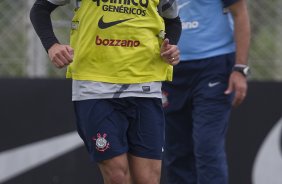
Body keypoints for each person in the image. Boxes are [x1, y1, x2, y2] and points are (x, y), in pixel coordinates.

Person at [30, 0, 181, 183]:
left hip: (145, 86)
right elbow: (40, 8)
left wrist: (171, 45)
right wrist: (52, 45)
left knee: (147, 179)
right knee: (117, 176)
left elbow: (172, 20)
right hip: (95, 87)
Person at [162, 0, 251, 183]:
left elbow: (240, 13)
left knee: (207, 147)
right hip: (170, 68)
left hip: (214, 66)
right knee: (176, 150)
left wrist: (240, 69)